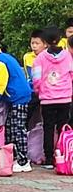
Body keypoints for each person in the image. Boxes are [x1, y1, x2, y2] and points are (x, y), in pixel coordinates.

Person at [32, 26, 73, 169]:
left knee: (48, 128)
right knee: (63, 128)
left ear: (45, 41)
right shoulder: (67, 56)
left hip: (48, 99)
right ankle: (62, 155)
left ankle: (49, 159)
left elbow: (36, 78)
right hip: (65, 98)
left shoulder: (40, 58)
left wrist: (38, 90)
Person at [0, 46, 32, 172]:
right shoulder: (4, 57)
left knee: (18, 129)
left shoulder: (0, 60)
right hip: (14, 97)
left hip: (19, 97)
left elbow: (1, 83)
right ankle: (13, 157)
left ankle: (23, 161)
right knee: (10, 129)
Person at [23, 29, 47, 128]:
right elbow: (27, 75)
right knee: (26, 114)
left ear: (45, 44)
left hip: (45, 91)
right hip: (32, 91)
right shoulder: (27, 57)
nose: (34, 46)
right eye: (32, 43)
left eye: (37, 43)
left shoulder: (48, 57)